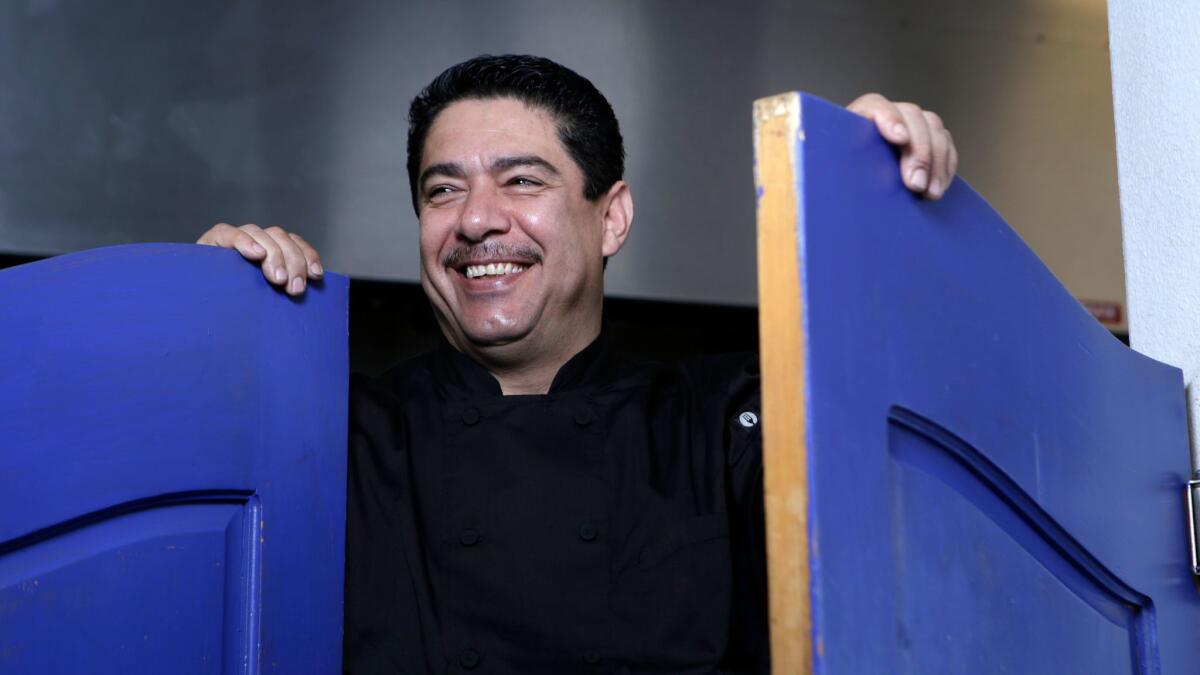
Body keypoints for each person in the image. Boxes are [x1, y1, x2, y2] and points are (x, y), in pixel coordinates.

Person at [198, 54, 957, 674]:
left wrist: (887, 219)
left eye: (523, 180)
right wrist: (192, 327)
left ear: (612, 217)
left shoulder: (724, 420)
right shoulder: (334, 437)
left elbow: (917, 477)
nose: (476, 219)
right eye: (443, 189)